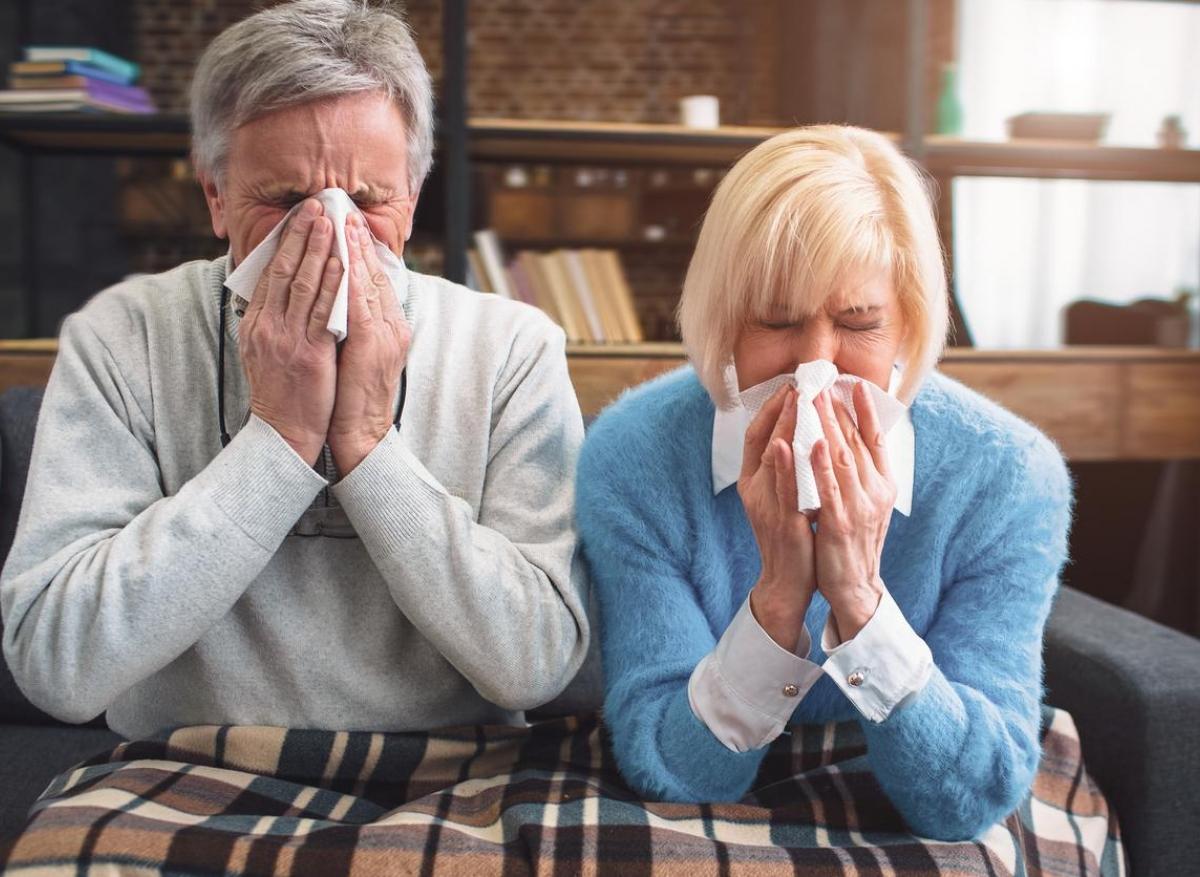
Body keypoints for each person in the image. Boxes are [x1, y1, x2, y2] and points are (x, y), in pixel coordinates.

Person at [1, 0, 589, 739]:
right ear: (215, 195)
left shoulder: (511, 348)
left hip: (451, 769)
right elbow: (56, 664)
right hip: (188, 765)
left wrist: (371, 445)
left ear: (412, 199)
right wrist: (277, 438)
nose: (332, 232)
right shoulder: (124, 338)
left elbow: (535, 662)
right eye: (284, 200)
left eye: (368, 201)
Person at [575, 125, 1072, 840]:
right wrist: (778, 596)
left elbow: (968, 799)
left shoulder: (1008, 476)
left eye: (859, 323)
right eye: (775, 321)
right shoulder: (633, 456)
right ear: (722, 323)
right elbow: (674, 772)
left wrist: (861, 601)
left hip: (897, 784)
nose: (817, 365)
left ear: (908, 324)